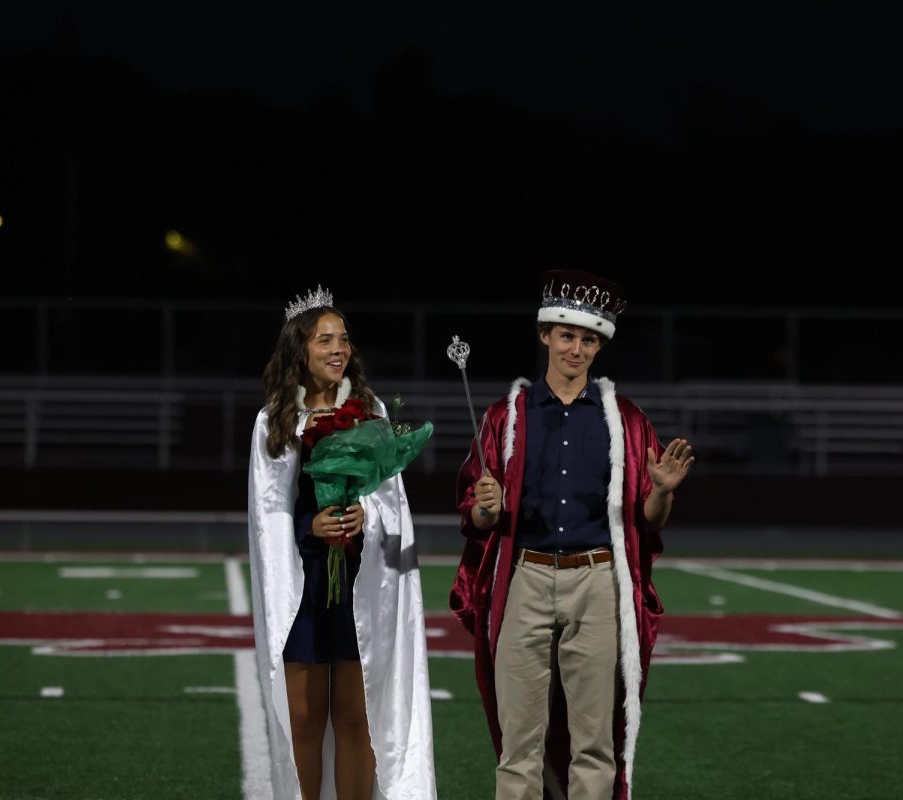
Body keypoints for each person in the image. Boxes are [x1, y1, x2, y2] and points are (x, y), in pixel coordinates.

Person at [449, 269, 695, 800]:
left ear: (599, 344)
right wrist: (487, 510)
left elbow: (647, 524)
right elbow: (475, 518)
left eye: (588, 339)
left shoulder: (627, 421)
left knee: (594, 746)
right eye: (566, 335)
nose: (576, 348)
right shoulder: (503, 417)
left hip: (598, 582)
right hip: (524, 581)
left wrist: (662, 492)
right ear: (545, 336)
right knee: (518, 748)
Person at [247, 286, 437, 800]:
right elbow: (268, 510)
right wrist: (310, 528)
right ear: (299, 350)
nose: (338, 349)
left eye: (344, 339)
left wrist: (364, 514)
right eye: (325, 340)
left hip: (360, 582)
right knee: (304, 719)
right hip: (304, 585)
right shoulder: (276, 418)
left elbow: (389, 499)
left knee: (358, 717)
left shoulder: (369, 408)